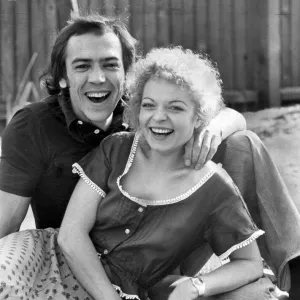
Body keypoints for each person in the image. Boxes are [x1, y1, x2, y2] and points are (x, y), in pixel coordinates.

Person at [0, 46, 270, 300]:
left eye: (175, 107)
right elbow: (71, 235)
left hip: (120, 288)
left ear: (199, 116)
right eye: (149, 105)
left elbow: (250, 263)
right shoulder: (116, 149)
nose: (158, 117)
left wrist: (197, 285)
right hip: (48, 256)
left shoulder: (215, 189)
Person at [0, 13, 246, 238]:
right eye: (82, 66)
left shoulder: (145, 110)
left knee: (241, 145)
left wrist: (214, 128)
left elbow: (231, 116)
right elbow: (6, 223)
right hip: (71, 256)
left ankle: (277, 265)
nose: (98, 78)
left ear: (127, 74)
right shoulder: (32, 126)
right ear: (63, 77)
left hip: (158, 249)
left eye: (110, 65)